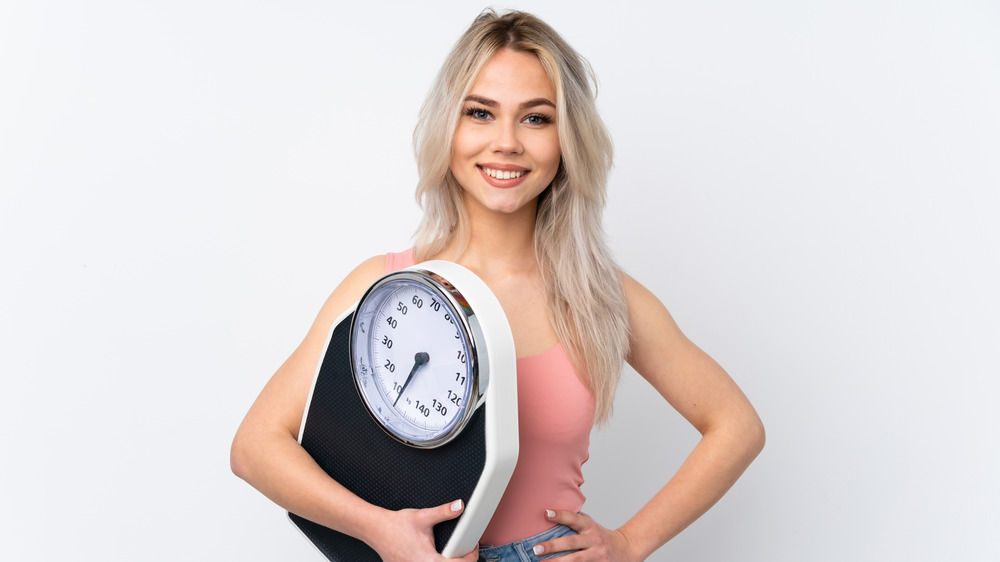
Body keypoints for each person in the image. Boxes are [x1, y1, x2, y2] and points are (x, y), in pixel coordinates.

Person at [231, 9, 764, 562]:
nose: (506, 142)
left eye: (536, 119)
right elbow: (256, 447)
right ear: (449, 126)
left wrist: (630, 543)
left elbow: (735, 426)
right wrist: (377, 530)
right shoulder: (380, 288)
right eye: (480, 113)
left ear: (567, 140)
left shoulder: (602, 297)